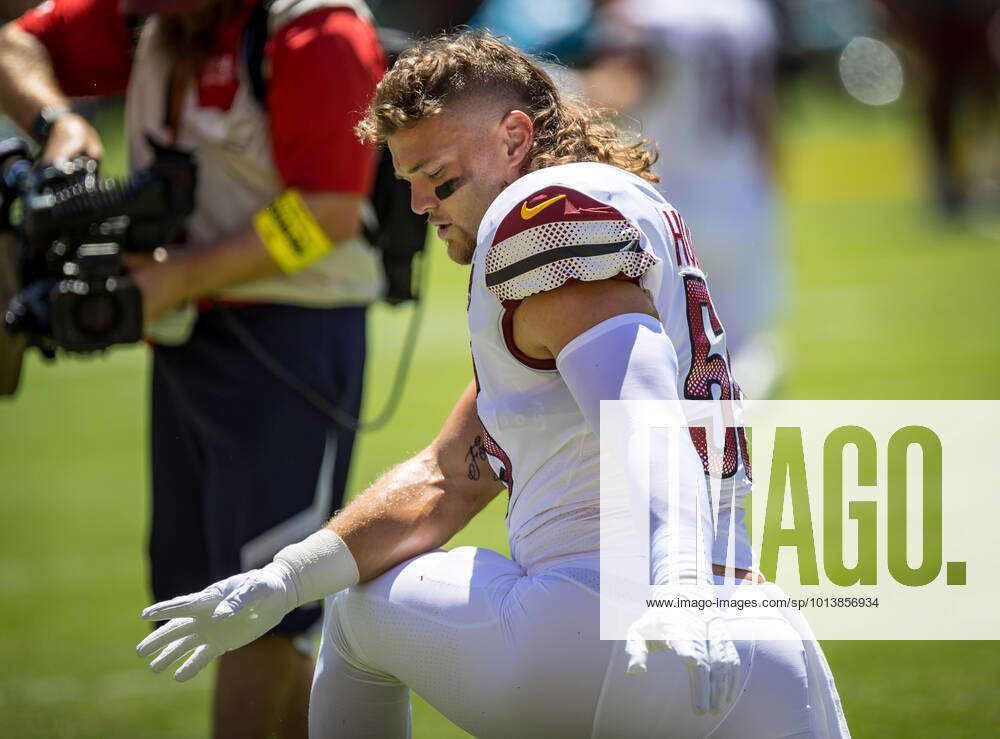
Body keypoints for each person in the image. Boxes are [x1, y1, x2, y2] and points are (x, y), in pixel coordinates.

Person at [135, 31, 850, 738]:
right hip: (763, 640)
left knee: (357, 616)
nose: (420, 206)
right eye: (406, 184)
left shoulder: (537, 216)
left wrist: (679, 583)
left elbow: (643, 405)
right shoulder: (614, 211)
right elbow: (446, 476)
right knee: (350, 588)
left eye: (439, 178)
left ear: (514, 138)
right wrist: (284, 579)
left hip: (621, 622)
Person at [0, 1, 383, 736]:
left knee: (263, 609)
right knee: (218, 594)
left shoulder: (314, 31)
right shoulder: (149, 15)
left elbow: (327, 212)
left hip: (291, 335)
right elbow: (14, 44)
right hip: (186, 334)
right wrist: (61, 124)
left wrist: (182, 274)